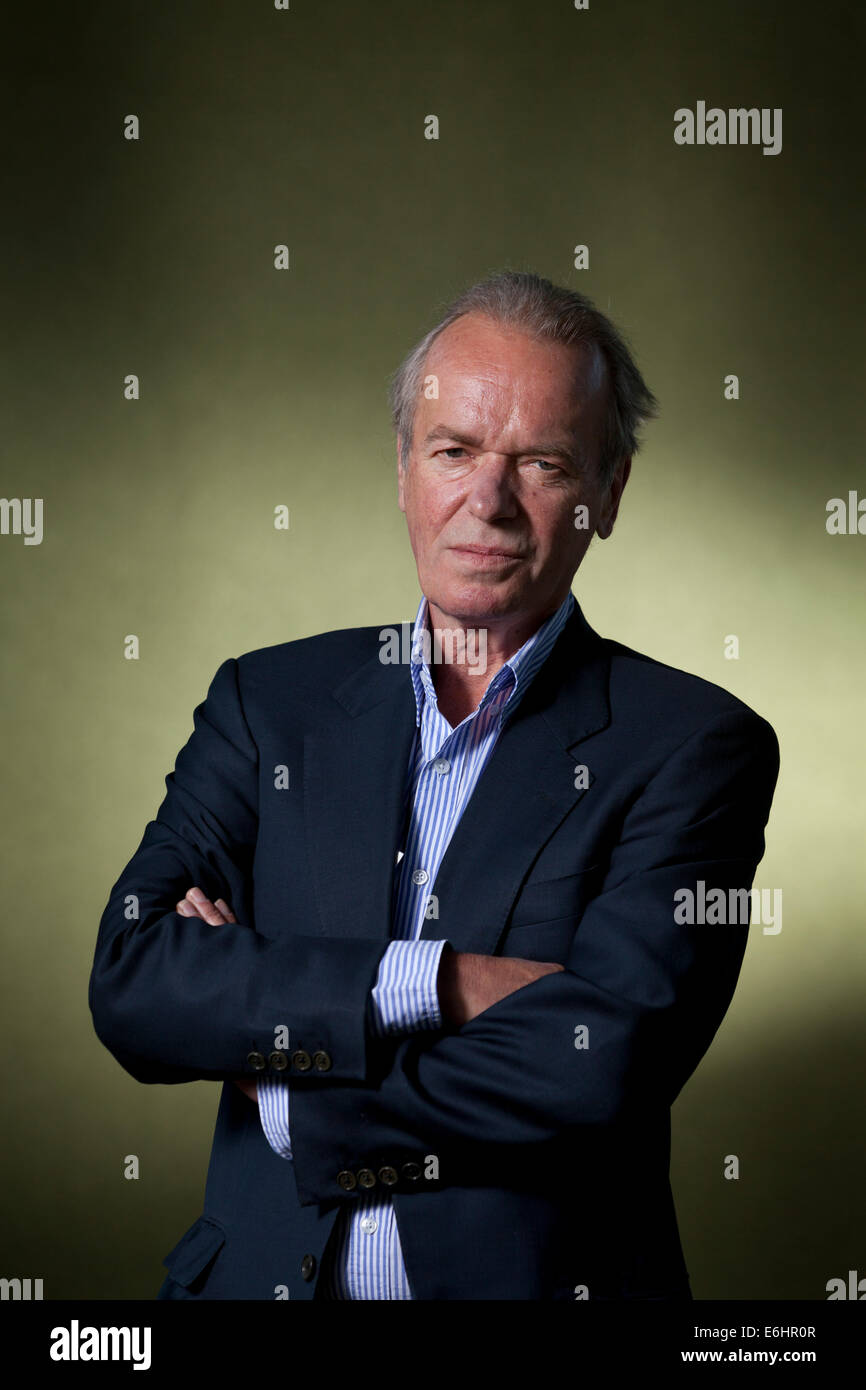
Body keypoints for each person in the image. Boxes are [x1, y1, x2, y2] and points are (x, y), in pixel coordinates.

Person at [89, 270, 780, 1300]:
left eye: (541, 462)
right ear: (404, 468)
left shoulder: (692, 745)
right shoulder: (265, 702)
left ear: (607, 492)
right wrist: (442, 982)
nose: (486, 502)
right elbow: (136, 979)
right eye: (452, 450)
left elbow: (603, 1062)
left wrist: (289, 1091)